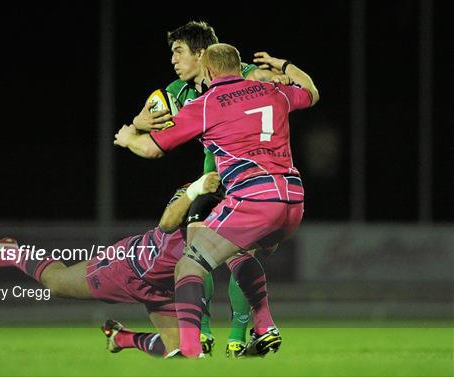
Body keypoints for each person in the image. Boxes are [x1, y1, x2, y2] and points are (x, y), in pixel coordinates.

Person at [113, 44, 319, 358]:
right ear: (240, 67)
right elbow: (311, 91)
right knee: (237, 255)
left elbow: (152, 149)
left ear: (209, 71)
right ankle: (263, 327)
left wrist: (129, 138)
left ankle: (193, 348)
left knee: (189, 265)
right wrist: (285, 63)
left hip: (254, 199)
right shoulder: (271, 91)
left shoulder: (207, 103)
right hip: (293, 201)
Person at [0, 173, 223, 358]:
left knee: (175, 351)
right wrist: (195, 189)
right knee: (57, 283)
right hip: (129, 267)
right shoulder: (203, 186)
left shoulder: (244, 200)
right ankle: (11, 253)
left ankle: (121, 338)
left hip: (164, 287)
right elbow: (167, 222)